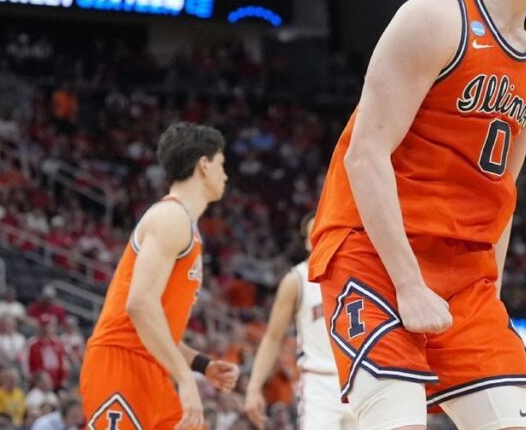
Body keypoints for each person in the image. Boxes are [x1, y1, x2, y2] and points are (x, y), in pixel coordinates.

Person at [308, 0, 526, 428]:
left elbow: (503, 189)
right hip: (374, 256)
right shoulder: (435, 16)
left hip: (464, 274)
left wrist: (492, 290)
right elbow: (365, 154)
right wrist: (407, 283)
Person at [80, 122, 239, 429]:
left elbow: (156, 328)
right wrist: (186, 379)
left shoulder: (186, 228)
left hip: (152, 366)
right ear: (204, 165)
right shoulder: (170, 217)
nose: (226, 174)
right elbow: (139, 305)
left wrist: (201, 365)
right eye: (222, 164)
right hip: (120, 362)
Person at [245, 213, 357, 429]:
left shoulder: (359, 274)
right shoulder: (295, 280)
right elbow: (272, 337)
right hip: (319, 385)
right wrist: (254, 387)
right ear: (307, 241)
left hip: (361, 379)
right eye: (315, 235)